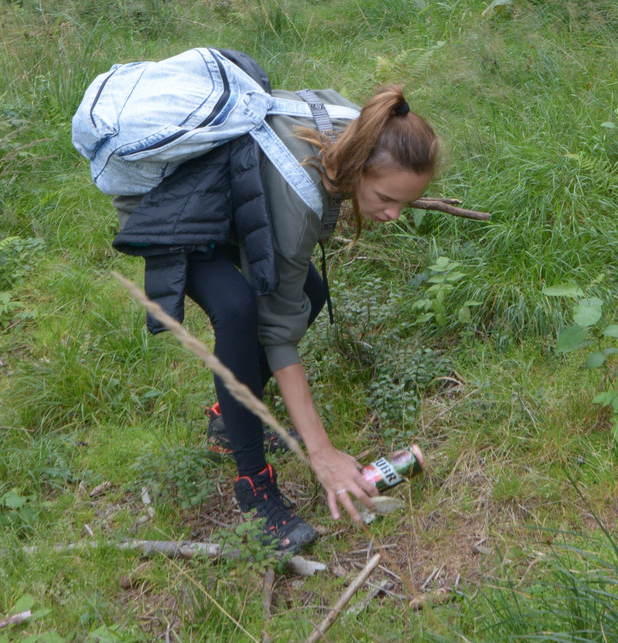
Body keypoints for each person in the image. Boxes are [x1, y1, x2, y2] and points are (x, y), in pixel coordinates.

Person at [113, 81, 438, 554]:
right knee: (238, 310)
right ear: (360, 165)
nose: (393, 214)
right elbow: (278, 333)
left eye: (405, 203)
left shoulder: (361, 127)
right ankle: (255, 490)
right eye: (387, 198)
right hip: (166, 209)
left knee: (312, 290)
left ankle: (229, 419)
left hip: (220, 193)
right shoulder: (301, 192)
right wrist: (321, 452)